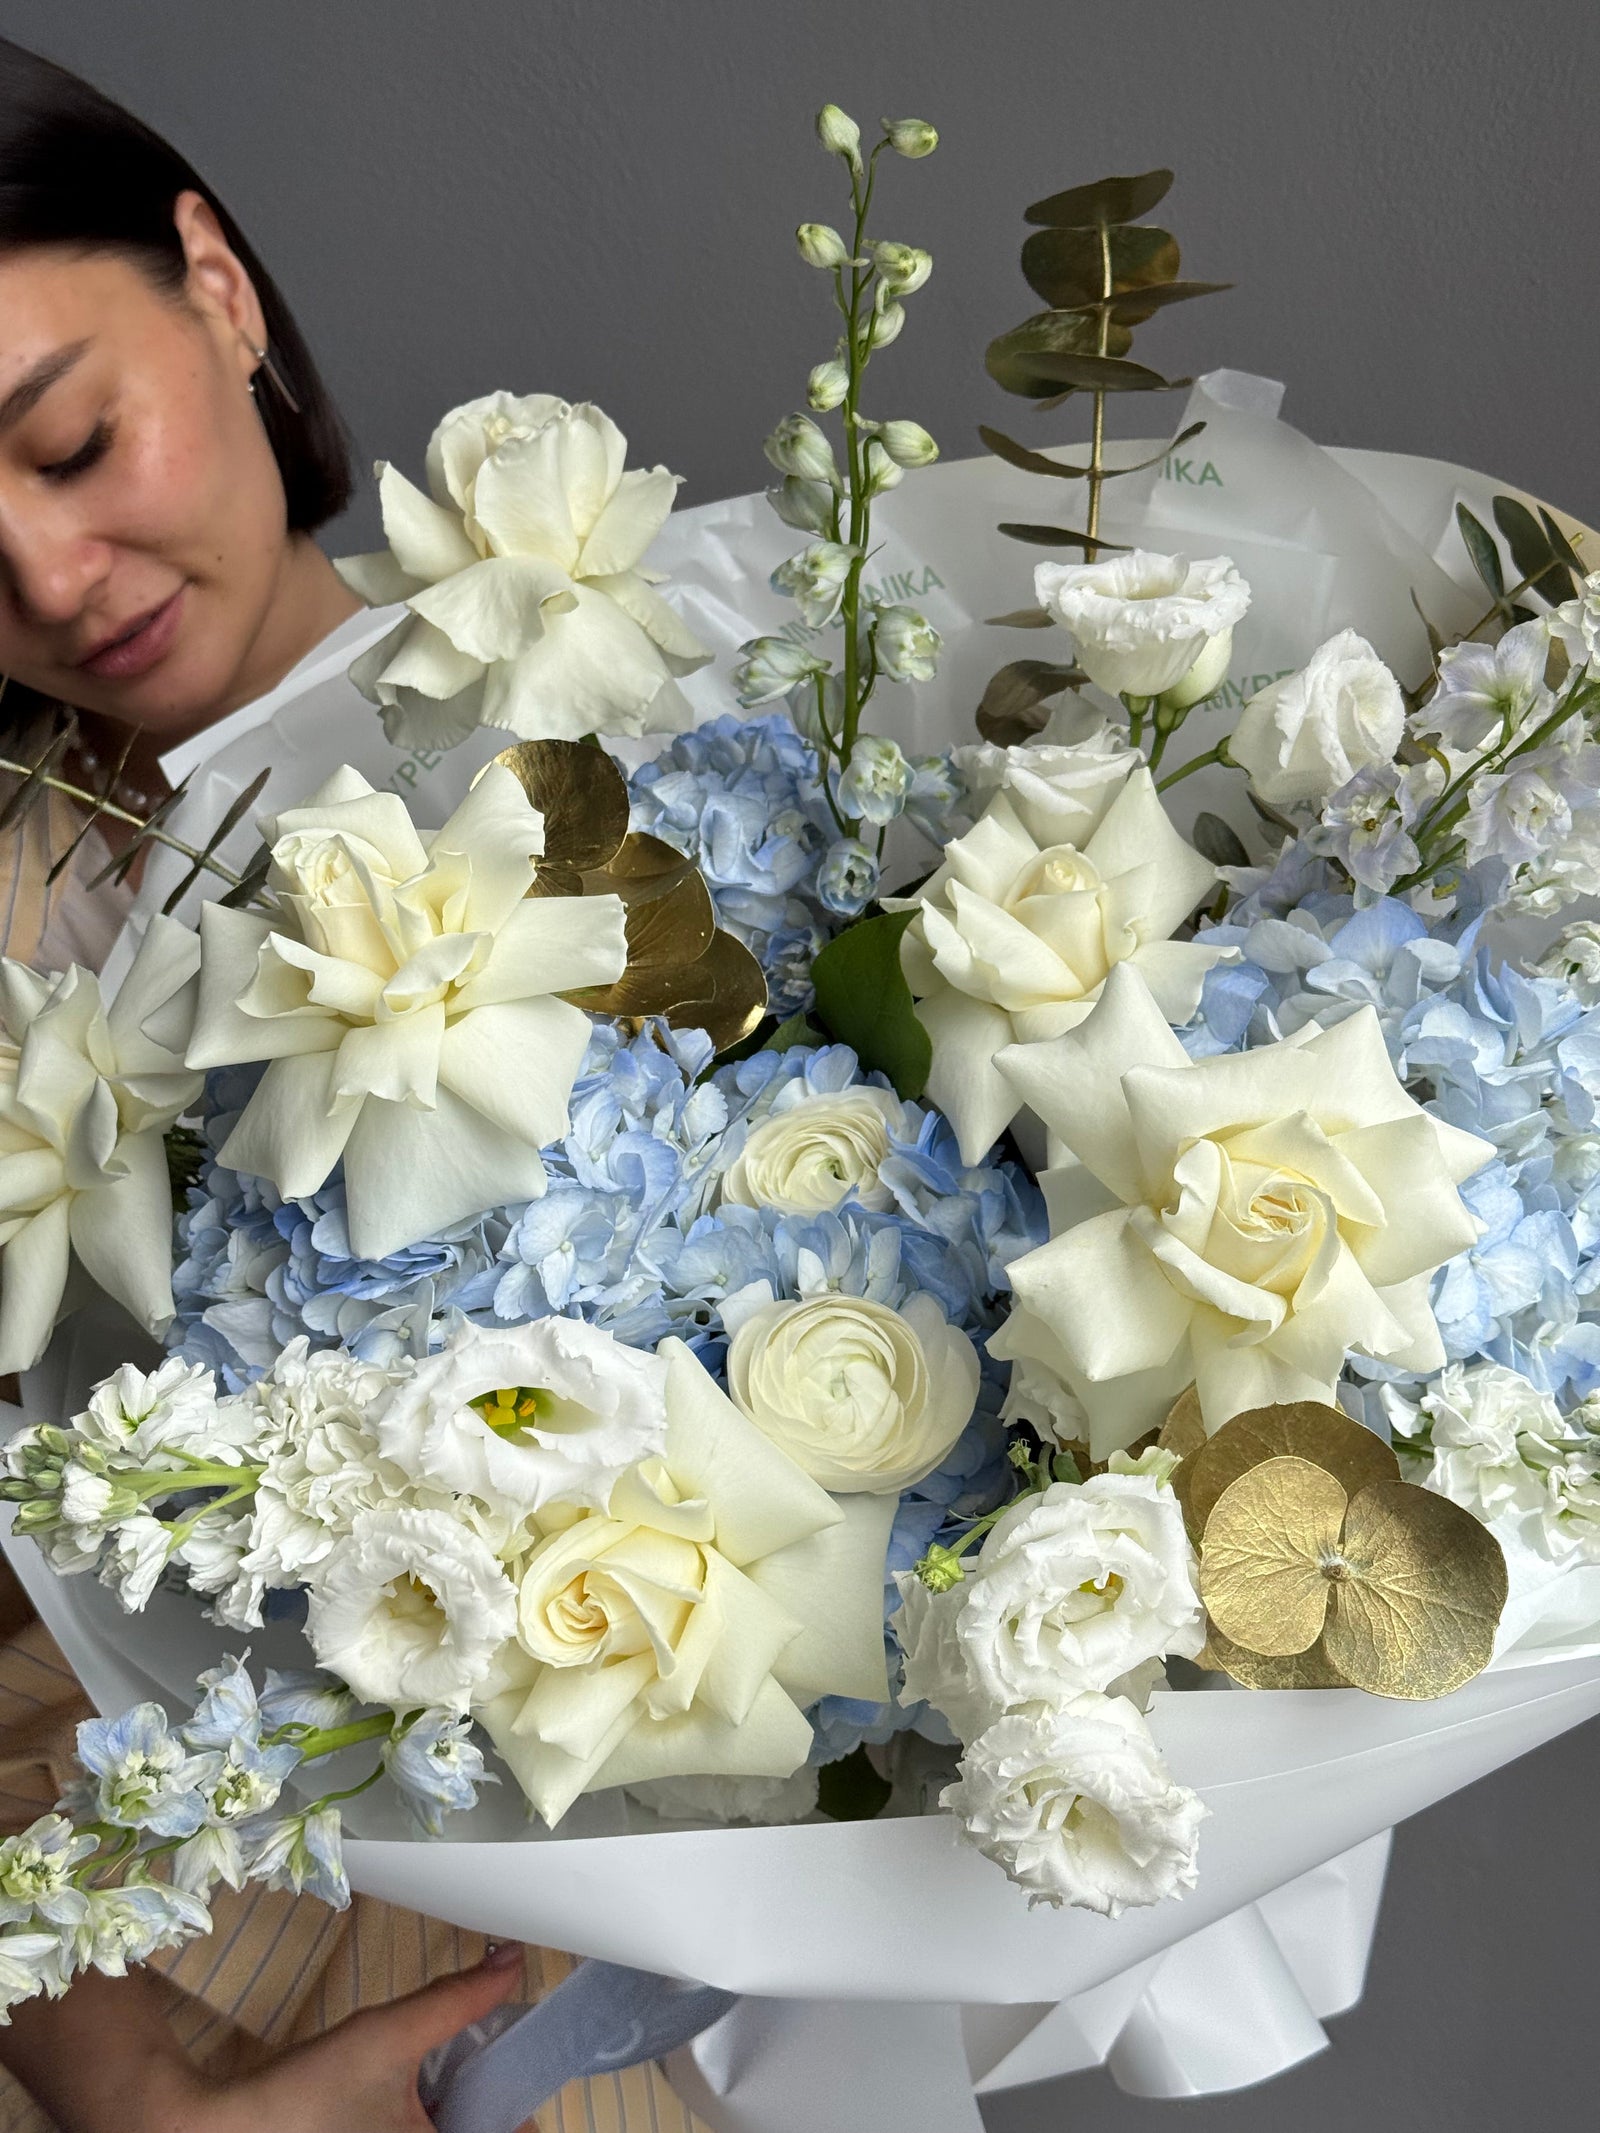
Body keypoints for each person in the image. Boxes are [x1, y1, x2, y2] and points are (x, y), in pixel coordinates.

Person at [0, 38, 702, 2133]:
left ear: (217, 285)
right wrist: (139, 2089)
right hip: (121, 1974)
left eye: (65, 436)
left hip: (576, 1987)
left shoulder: (668, 704)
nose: (42, 578)